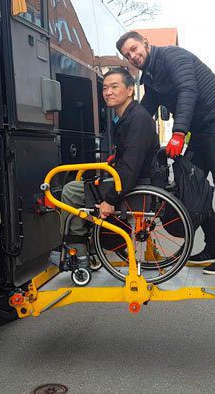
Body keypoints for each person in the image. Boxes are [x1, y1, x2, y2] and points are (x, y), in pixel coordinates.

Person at [116, 31, 215, 275]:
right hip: (200, 130)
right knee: (191, 185)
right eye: (127, 55)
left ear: (145, 43)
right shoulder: (151, 78)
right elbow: (143, 113)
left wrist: (178, 133)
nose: (132, 55)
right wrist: (123, 146)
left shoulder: (172, 56)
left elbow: (188, 91)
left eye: (134, 49)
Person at [60, 67, 159, 256]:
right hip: (131, 180)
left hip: (135, 184)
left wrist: (110, 199)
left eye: (114, 86)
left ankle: (78, 253)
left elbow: (131, 165)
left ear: (130, 90)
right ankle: (95, 245)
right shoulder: (127, 116)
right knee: (85, 185)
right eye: (105, 88)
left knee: (70, 191)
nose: (108, 92)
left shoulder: (137, 119)